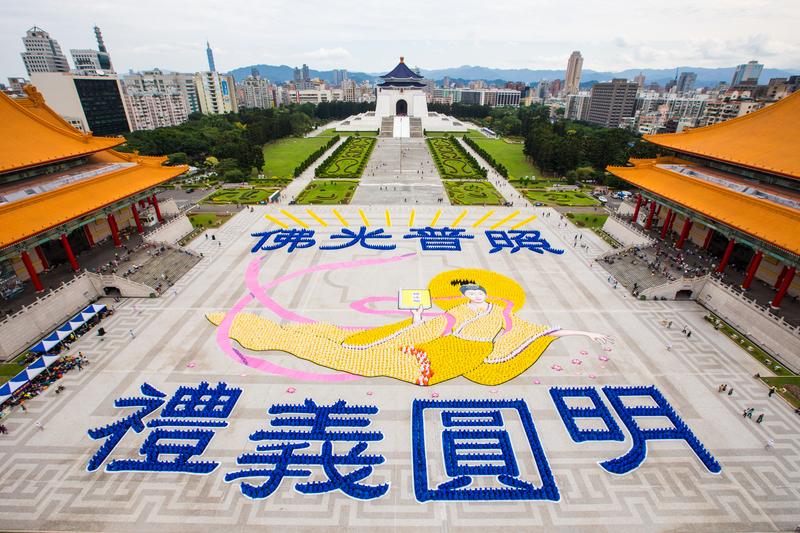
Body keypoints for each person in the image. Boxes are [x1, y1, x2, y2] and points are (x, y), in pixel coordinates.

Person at [208, 268, 614, 386]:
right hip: (440, 345)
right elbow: (437, 325)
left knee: (362, 359)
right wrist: (415, 322)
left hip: (454, 358)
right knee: (354, 343)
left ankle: (272, 334)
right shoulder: (458, 312)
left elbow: (543, 331)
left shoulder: (505, 316)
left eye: (477, 292)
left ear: (486, 294)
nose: (474, 296)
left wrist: (585, 334)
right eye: (469, 292)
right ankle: (277, 334)